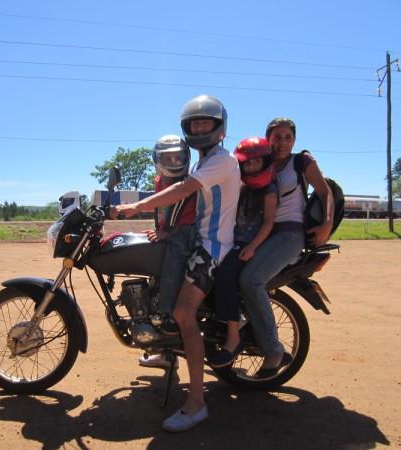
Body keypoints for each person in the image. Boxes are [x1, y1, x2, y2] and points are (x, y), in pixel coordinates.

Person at [114, 94, 240, 432]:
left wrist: (134, 207)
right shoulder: (202, 162)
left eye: (206, 122)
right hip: (194, 239)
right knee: (158, 281)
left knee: (183, 313)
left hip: (213, 246)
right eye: (194, 123)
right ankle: (166, 350)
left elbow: (182, 190)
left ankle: (197, 403)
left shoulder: (221, 162)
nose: (200, 127)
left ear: (220, 128)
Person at [236, 117, 333, 377]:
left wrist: (326, 224)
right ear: (267, 138)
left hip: (290, 234)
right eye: (277, 137)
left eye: (287, 137)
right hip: (262, 233)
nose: (282, 142)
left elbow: (325, 193)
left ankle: (273, 351)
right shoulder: (260, 162)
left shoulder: (301, 162)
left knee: (251, 280)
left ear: (294, 140)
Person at [208, 137, 277, 368]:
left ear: (265, 161)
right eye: (247, 163)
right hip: (229, 239)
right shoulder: (240, 185)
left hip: (245, 244)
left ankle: (233, 336)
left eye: (256, 162)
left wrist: (252, 247)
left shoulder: (269, 190)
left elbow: (268, 223)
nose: (251, 167)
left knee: (225, 275)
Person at [138, 134, 196, 370]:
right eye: (167, 158)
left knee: (171, 267)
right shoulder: (159, 180)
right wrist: (160, 230)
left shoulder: (187, 180)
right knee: (156, 274)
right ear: (157, 159)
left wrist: (166, 233)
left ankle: (167, 318)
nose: (173, 162)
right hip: (172, 230)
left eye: (177, 157)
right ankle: (165, 352)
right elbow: (163, 212)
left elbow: (177, 207)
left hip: (187, 232)